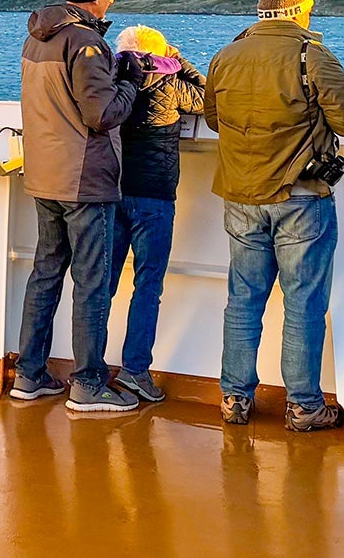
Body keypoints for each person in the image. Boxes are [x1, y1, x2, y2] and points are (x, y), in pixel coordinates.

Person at [204, 0, 344, 431]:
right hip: (299, 197)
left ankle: (234, 398)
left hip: (240, 195)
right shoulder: (312, 56)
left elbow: (213, 119)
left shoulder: (225, 55)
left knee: (243, 300)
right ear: (298, 10)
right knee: (303, 303)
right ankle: (303, 405)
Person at [13, 0, 141, 412]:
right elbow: (101, 114)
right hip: (85, 179)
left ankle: (29, 374)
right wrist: (131, 83)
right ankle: (88, 382)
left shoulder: (36, 38)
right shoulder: (86, 44)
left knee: (45, 274)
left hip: (44, 175)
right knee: (92, 281)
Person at [107, 23, 207, 404]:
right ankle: (135, 371)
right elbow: (209, 97)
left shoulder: (112, 81)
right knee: (147, 286)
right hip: (155, 197)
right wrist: (179, 60)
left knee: (103, 284)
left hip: (112, 192)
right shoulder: (170, 85)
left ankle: (92, 368)